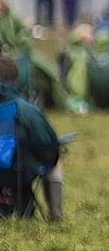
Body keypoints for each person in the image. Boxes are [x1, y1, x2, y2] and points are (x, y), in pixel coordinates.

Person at [0, 52, 63, 220]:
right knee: (55, 162)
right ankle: (55, 215)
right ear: (15, 80)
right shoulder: (26, 110)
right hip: (16, 174)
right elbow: (49, 148)